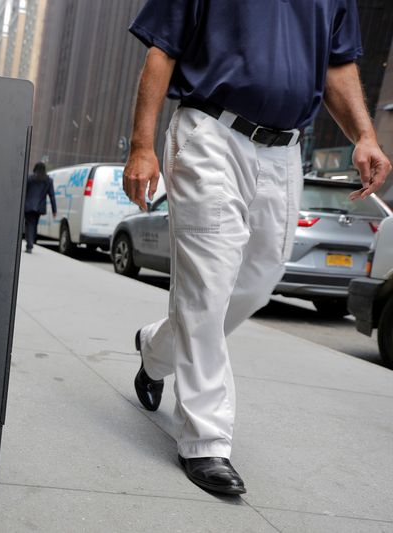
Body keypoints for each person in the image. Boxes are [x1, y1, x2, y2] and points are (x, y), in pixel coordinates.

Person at [123, 0, 391, 495]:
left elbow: (337, 65)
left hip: (284, 151)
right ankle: (206, 442)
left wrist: (364, 134)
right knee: (208, 285)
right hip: (210, 134)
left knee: (257, 282)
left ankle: (156, 348)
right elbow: (162, 51)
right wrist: (141, 146)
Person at [23, 162, 57, 253]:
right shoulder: (48, 180)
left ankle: (29, 245)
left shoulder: (30, 178)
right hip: (39, 207)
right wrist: (54, 210)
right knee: (34, 225)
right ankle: (31, 242)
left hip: (28, 206)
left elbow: (24, 191)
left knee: (29, 225)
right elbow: (52, 196)